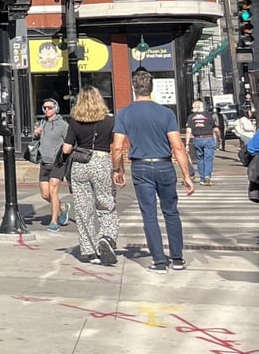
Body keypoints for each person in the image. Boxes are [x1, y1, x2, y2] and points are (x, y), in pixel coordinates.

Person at [111, 70, 195, 274]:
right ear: (152, 88)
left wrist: (118, 169)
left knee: (149, 214)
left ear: (133, 88)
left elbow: (117, 146)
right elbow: (177, 146)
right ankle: (177, 258)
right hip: (164, 164)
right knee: (171, 212)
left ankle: (159, 261)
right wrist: (186, 175)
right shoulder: (166, 113)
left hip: (140, 165)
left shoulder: (124, 113)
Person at [62, 88, 118, 266]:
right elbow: (115, 146)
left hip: (80, 163)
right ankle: (106, 237)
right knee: (106, 203)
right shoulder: (110, 121)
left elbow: (66, 149)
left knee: (83, 207)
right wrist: (118, 169)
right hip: (102, 161)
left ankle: (89, 250)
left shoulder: (75, 121)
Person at [33, 98, 70, 232]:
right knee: (45, 194)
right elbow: (36, 139)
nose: (46, 110)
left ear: (56, 109)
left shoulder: (63, 125)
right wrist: (36, 133)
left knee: (53, 192)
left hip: (57, 162)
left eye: (49, 108)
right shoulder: (42, 123)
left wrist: (64, 155)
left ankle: (54, 222)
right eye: (44, 108)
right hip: (44, 162)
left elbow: (69, 142)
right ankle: (62, 207)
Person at [184, 100, 220, 186]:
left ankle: (202, 178)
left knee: (200, 159)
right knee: (208, 158)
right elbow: (216, 129)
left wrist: (187, 144)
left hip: (197, 139)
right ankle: (207, 176)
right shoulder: (209, 116)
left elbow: (188, 131)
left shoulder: (190, 117)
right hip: (208, 138)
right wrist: (219, 138)